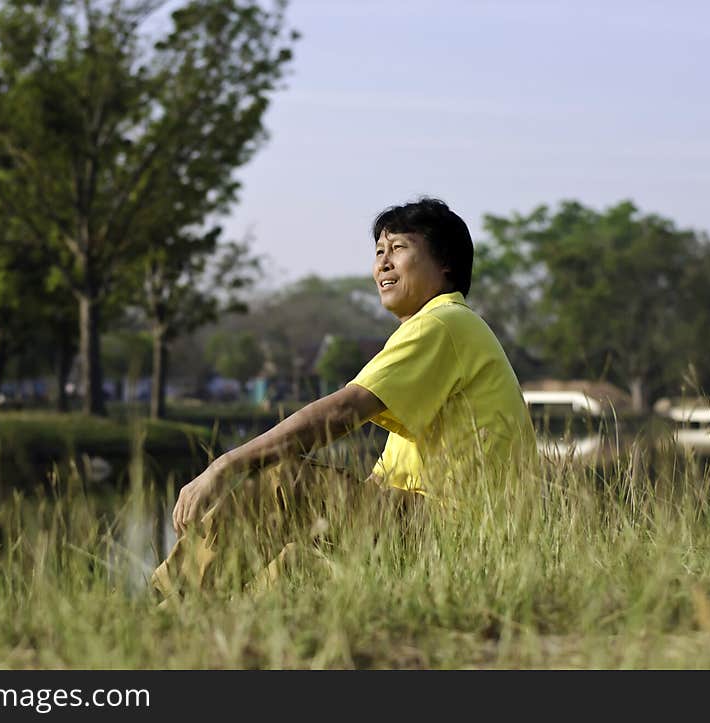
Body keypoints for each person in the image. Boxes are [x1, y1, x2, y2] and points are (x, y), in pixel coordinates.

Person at [152, 197, 536, 599]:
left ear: (446, 264)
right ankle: (186, 626)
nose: (383, 264)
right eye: (378, 252)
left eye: (399, 249)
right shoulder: (443, 330)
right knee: (294, 565)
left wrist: (225, 466)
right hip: (450, 532)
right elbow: (381, 485)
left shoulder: (443, 321)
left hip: (454, 533)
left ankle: (164, 600)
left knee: (284, 483)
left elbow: (343, 411)